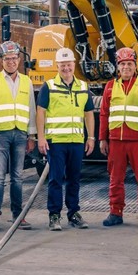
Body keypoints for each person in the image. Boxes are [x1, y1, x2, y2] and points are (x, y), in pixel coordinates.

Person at [99, 47, 138, 229]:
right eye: (123, 64)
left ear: (135, 66)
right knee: (115, 179)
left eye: (129, 64)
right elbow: (104, 114)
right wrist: (103, 138)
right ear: (118, 67)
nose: (126, 67)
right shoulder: (110, 86)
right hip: (116, 142)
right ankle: (115, 213)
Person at [0, 40, 37, 232]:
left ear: (19, 60)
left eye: (14, 58)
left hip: (20, 134)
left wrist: (31, 136)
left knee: (18, 177)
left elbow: (31, 110)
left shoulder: (27, 82)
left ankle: (18, 215)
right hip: (0, 135)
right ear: (1, 60)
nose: (11, 62)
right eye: (7, 59)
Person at [36, 47, 95, 231]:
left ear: (74, 64)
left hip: (76, 141)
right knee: (55, 179)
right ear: (57, 66)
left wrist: (91, 137)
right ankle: (54, 215)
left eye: (68, 64)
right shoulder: (49, 86)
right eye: (62, 65)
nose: (66, 68)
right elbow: (41, 113)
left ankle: (73, 213)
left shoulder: (83, 87)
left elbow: (89, 114)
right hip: (56, 142)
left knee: (74, 178)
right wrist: (41, 138)